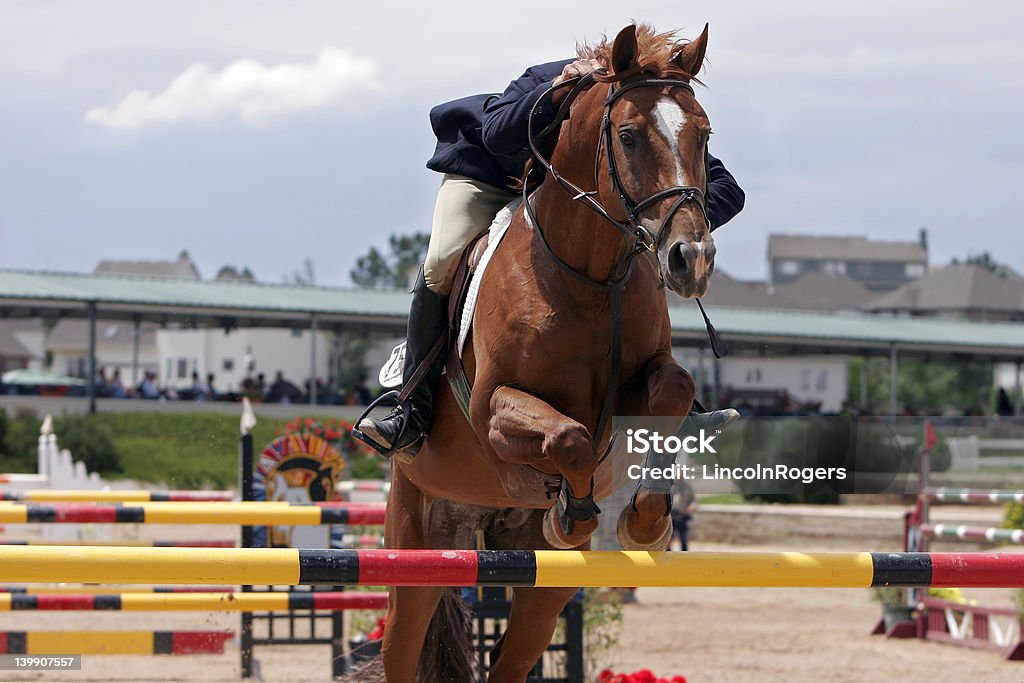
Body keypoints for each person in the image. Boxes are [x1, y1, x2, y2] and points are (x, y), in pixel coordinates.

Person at [357, 47, 745, 460]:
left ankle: (674, 406)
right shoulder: (549, 77)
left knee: (627, 259)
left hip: (567, 207)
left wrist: (663, 222)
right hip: (490, 178)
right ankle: (412, 406)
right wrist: (557, 89)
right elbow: (496, 134)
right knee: (441, 263)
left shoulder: (643, 115)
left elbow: (725, 189)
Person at [671, 481, 698, 551]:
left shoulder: (688, 488)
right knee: (669, 539)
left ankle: (684, 555)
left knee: (683, 538)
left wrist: (692, 506)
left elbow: (693, 501)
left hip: (684, 516)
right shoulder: (670, 487)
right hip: (672, 517)